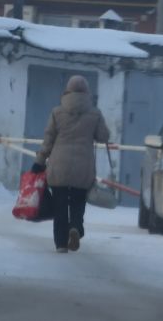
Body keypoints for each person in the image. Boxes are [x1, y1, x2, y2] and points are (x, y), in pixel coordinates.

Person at [35, 75, 110, 253]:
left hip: (59, 165)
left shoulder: (57, 112)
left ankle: (61, 244)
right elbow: (104, 137)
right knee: (77, 201)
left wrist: (39, 161)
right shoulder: (94, 113)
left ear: (67, 90)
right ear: (87, 92)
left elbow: (48, 140)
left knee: (60, 205)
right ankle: (75, 227)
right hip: (83, 167)